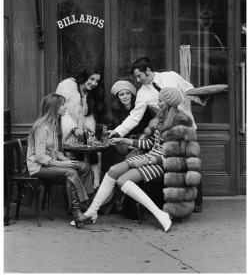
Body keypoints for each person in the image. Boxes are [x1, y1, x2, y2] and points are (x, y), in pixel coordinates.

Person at [82, 87, 190, 232]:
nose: (158, 103)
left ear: (169, 103)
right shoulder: (160, 118)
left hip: (164, 163)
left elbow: (172, 156)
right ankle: (91, 212)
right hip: (150, 156)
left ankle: (160, 214)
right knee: (113, 170)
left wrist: (145, 161)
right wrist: (123, 140)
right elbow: (148, 144)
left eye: (161, 100)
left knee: (122, 181)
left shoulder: (179, 124)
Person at [108, 57, 206, 213]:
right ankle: (171, 202)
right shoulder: (142, 93)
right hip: (166, 131)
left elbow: (190, 90)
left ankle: (197, 201)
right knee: (172, 164)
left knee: (191, 162)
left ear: (148, 70)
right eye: (136, 77)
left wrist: (205, 97)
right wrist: (118, 131)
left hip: (186, 127)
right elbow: (134, 116)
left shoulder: (171, 76)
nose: (138, 80)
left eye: (139, 76)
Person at [27, 93, 93, 229]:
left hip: (50, 163)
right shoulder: (42, 128)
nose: (65, 107)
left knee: (85, 166)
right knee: (70, 172)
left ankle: (83, 206)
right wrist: (64, 164)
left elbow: (55, 151)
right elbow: (40, 157)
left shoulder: (54, 125)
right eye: (62, 105)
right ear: (54, 108)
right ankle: (77, 214)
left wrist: (67, 159)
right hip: (38, 167)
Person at [55, 66, 106, 189]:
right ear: (85, 77)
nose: (93, 83)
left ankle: (94, 187)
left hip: (82, 133)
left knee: (93, 154)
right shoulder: (68, 86)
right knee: (75, 159)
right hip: (66, 132)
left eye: (97, 81)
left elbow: (88, 115)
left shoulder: (90, 94)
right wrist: (73, 128)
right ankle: (76, 192)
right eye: (91, 79)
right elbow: (62, 111)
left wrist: (88, 131)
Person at [105, 80, 152, 165]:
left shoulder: (141, 109)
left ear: (132, 95)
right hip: (123, 144)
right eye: (121, 94)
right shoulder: (115, 112)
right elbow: (113, 133)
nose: (125, 97)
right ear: (117, 97)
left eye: (127, 93)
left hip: (141, 142)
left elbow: (149, 128)